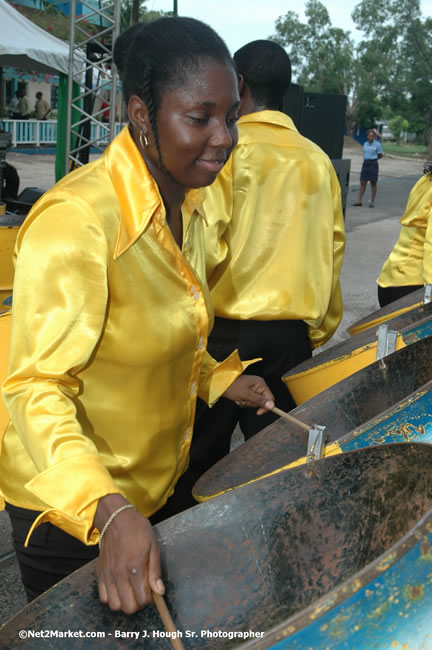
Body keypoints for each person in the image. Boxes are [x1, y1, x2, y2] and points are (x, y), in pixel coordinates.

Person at [0, 18, 275, 615]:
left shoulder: (191, 209)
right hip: (76, 512)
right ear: (141, 115)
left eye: (230, 117)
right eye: (199, 118)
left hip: (149, 491)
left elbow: (166, 335)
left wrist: (221, 380)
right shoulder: (78, 221)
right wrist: (110, 509)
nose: (224, 137)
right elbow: (33, 387)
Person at [158, 40, 345, 518]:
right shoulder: (318, 161)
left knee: (197, 465)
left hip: (222, 337)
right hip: (289, 336)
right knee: (280, 469)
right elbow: (331, 250)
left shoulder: (223, 153)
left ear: (237, 85)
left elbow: (202, 245)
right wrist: (315, 331)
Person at [376, 161, 432, 307]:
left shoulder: (426, 180)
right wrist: (429, 295)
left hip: (392, 278)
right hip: (414, 287)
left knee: (389, 330)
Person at [353, 128, 384, 208]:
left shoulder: (377, 144)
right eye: (369, 136)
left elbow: (380, 155)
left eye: (372, 136)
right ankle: (359, 201)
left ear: (374, 137)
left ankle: (372, 202)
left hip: (373, 164)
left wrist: (374, 159)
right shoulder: (365, 144)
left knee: (373, 182)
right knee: (363, 182)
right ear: (367, 136)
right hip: (365, 164)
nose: (371, 137)